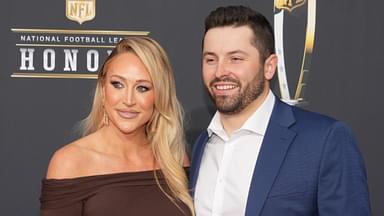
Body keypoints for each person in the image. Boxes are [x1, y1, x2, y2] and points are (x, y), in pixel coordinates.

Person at [189, 5, 371, 216]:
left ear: (269, 66)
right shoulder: (202, 144)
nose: (220, 71)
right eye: (211, 59)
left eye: (236, 59)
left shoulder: (325, 140)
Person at [40, 36, 194, 216]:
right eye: (118, 84)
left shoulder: (174, 158)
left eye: (142, 88)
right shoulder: (70, 162)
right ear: (103, 89)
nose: (128, 100)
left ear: (159, 95)